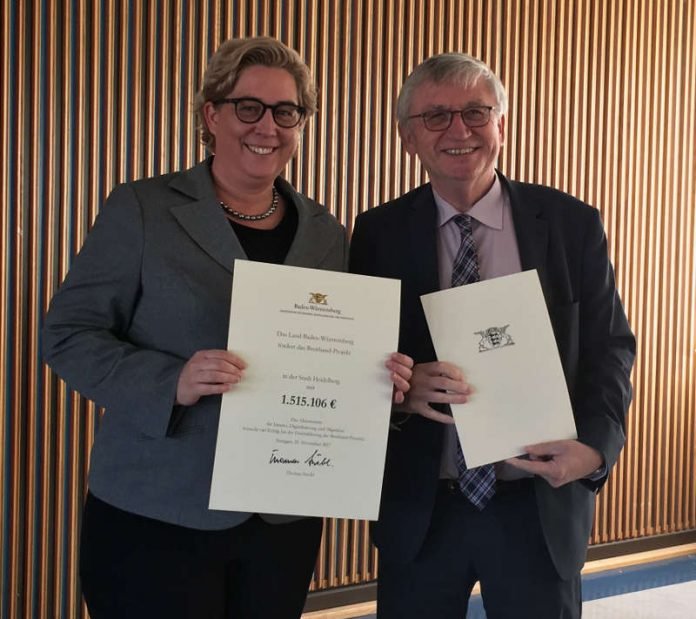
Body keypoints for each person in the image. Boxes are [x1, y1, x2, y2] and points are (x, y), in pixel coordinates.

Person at [42, 36, 412, 619]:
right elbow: (67, 335)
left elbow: (332, 359)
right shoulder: (142, 209)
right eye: (249, 107)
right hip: (157, 511)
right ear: (211, 115)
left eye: (285, 111)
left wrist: (375, 385)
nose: (267, 126)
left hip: (282, 517)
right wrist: (172, 381)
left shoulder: (326, 233)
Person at [349, 53, 635, 618]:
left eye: (476, 112)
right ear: (409, 138)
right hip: (423, 507)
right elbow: (358, 361)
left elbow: (610, 348)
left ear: (501, 124)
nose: (459, 130)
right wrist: (403, 387)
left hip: (538, 505)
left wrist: (597, 451)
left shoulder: (570, 224)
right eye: (436, 117)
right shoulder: (376, 233)